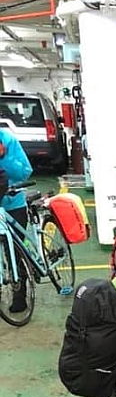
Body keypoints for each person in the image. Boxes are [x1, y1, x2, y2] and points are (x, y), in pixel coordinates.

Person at [0, 127, 33, 312]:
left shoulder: (7, 140)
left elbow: (24, 172)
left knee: (13, 250)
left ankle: (19, 294)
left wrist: (4, 157)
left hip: (12, 205)